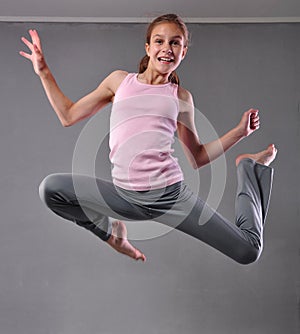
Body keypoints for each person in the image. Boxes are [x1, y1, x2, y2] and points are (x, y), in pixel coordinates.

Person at [20, 14, 277, 264]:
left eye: (175, 42)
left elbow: (197, 157)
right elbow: (68, 115)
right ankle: (112, 235)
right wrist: (43, 71)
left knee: (248, 251)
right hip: (124, 197)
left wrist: (240, 133)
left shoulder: (181, 98)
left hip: (170, 198)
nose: (167, 48)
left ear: (183, 51)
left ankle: (249, 167)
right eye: (159, 41)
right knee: (51, 189)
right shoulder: (119, 82)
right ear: (148, 47)